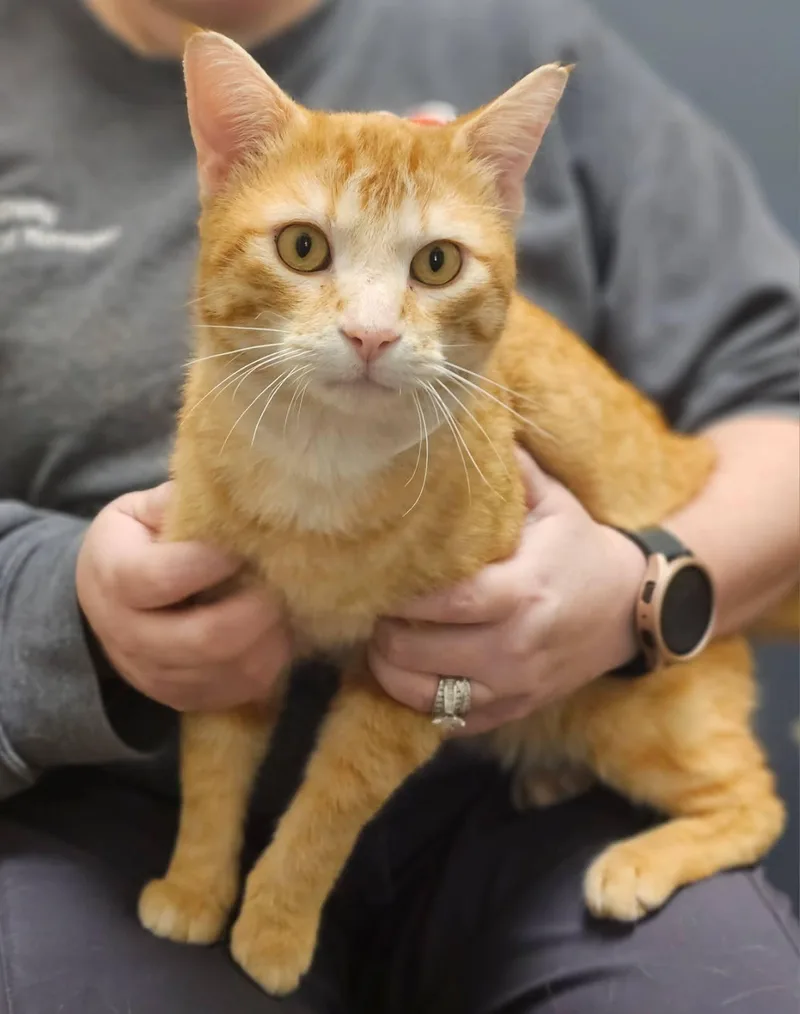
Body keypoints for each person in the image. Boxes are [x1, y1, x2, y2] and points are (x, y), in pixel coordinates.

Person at [0, 0, 797, 1011]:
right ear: (220, 163)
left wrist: (640, 592)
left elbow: (780, 388)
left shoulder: (522, 38)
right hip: (116, 790)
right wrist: (57, 602)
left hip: (520, 788)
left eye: (433, 263)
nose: (371, 328)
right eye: (305, 249)